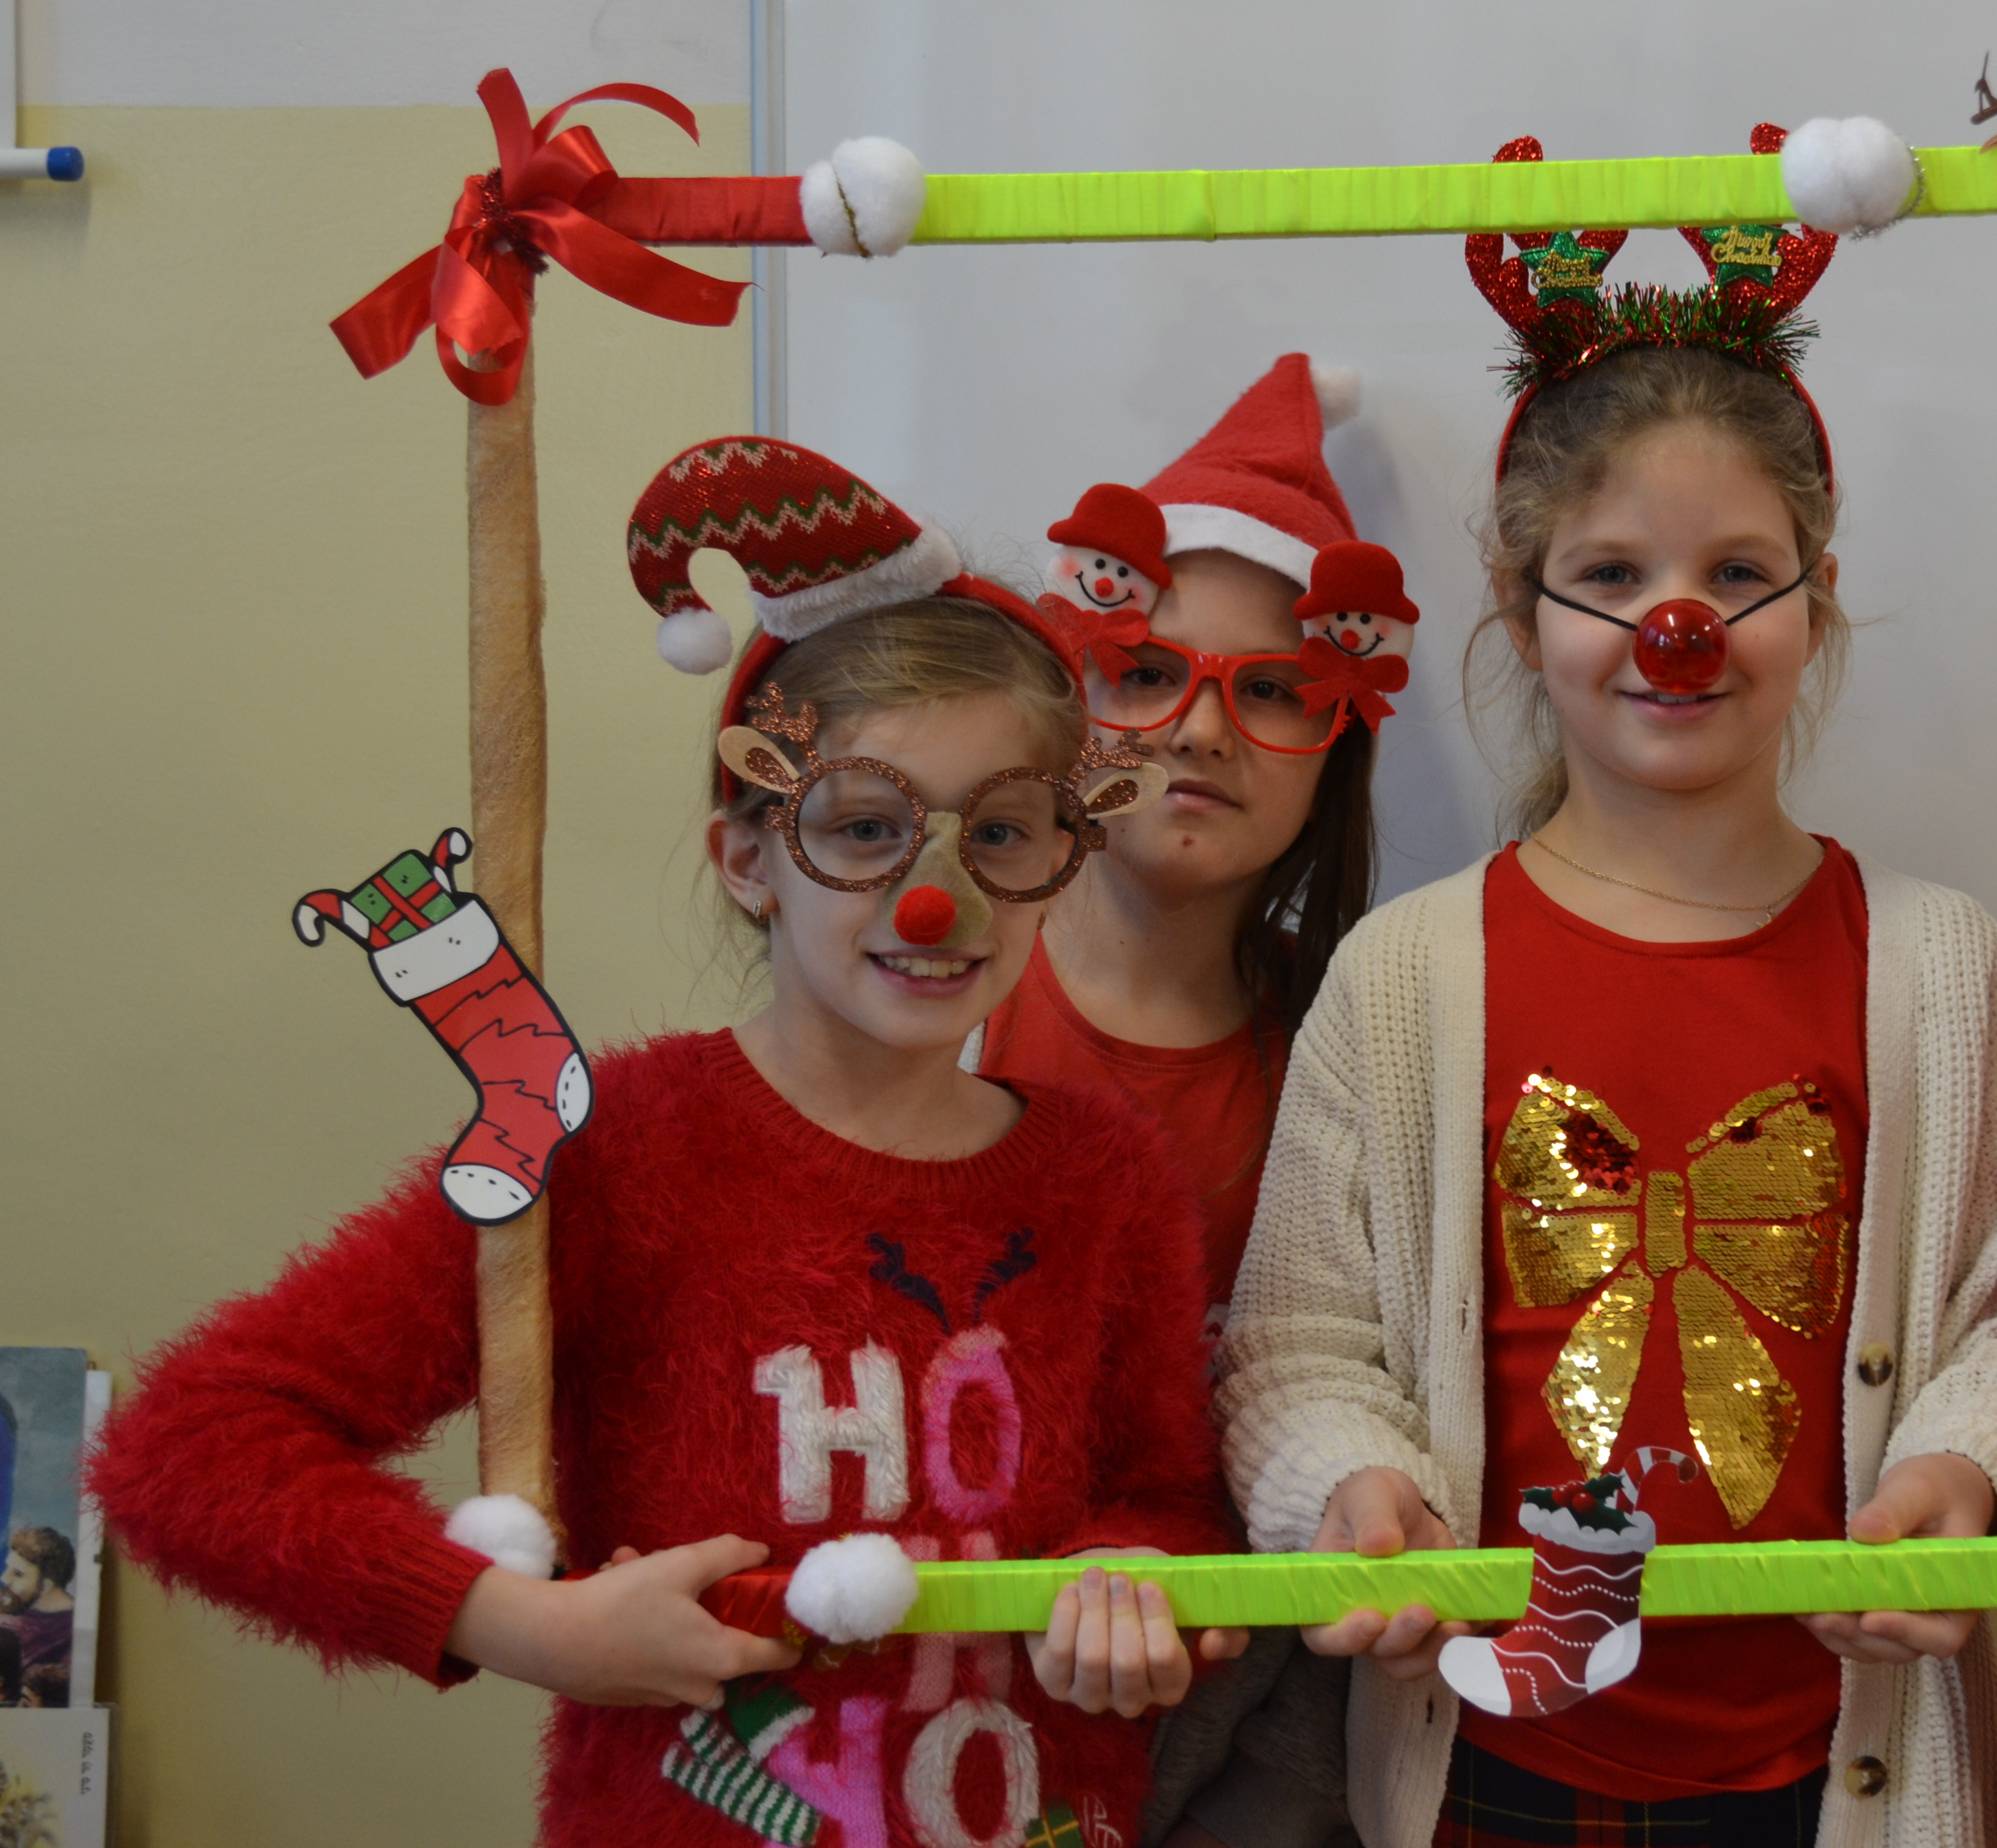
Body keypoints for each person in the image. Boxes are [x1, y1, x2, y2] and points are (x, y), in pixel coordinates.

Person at [92, 438, 1240, 1846]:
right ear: (748, 860)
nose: (937, 898)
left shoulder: (1106, 1176)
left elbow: (1164, 1499)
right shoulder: (604, 1149)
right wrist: (523, 1624)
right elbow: (188, 1448)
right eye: (864, 828)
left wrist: (1132, 1586)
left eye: (1002, 834)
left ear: (1064, 855)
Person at [1218, 154, 1997, 1848]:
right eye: (1610, 574)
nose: (1676, 623)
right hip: (1488, 1774)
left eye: (1736, 571)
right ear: (1522, 609)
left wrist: (1960, 1479)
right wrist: (1352, 1489)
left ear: (1816, 602)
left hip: (1831, 1775)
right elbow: (1302, 1344)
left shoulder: (1944, 966)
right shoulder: (1405, 974)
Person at [978, 356, 1403, 1848]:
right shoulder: (937, 1000)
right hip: (950, 1669)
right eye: (1149, 673)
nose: (1203, 731)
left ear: (1336, 742)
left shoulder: (1350, 1055)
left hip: (1248, 1713)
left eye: (1272, 690)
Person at [0, 1527, 74, 1707]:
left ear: (47, 1585)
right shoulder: (12, 1605)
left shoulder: (72, 1631)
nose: (5, 1578)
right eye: (8, 1569)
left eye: (18, 1574)